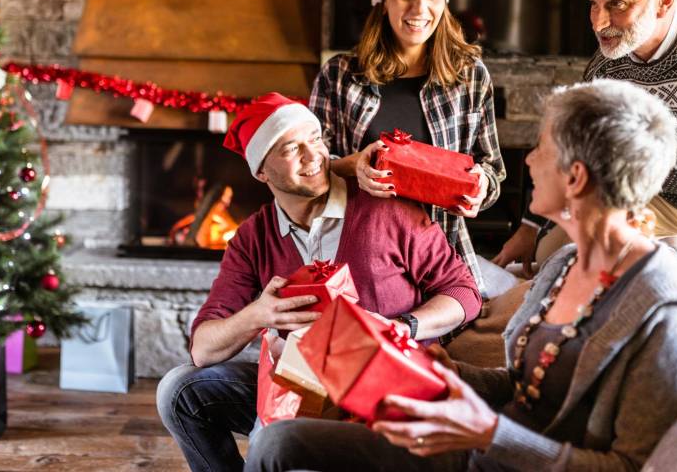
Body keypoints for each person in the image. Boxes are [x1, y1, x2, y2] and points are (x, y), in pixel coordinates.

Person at [245, 79, 677, 472]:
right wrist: (452, 374)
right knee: (278, 440)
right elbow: (529, 386)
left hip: (499, 454)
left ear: (576, 177)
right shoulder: (565, 265)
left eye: (542, 148)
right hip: (483, 448)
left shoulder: (666, 313)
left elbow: (630, 467)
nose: (527, 161)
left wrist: (489, 432)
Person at [156, 92, 482, 472]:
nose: (313, 157)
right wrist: (258, 314)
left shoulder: (386, 210)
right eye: (291, 149)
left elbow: (464, 293)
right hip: (298, 384)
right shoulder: (252, 237)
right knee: (178, 388)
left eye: (315, 139)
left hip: (383, 390)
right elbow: (203, 350)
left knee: (275, 438)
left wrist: (401, 327)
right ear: (261, 171)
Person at [494, 0, 677, 274]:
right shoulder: (608, 62)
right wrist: (530, 229)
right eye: (594, 4)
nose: (600, 22)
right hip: (644, 203)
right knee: (551, 263)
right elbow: (571, 146)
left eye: (617, 4)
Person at [312, 0, 506, 297]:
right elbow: (311, 169)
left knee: (440, 350)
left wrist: (480, 187)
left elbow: (492, 169)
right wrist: (354, 166)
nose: (420, 7)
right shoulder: (339, 75)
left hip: (441, 255)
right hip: (358, 254)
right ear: (382, 0)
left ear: (444, 3)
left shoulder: (470, 75)